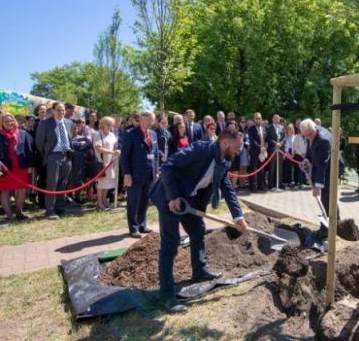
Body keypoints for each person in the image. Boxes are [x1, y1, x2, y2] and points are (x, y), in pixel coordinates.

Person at [150, 128, 249, 313]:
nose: (238, 152)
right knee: (170, 243)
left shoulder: (224, 162)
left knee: (197, 231)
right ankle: (166, 295)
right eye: (237, 147)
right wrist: (173, 197)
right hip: (169, 196)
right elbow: (168, 166)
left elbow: (227, 188)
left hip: (189, 199)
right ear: (225, 142)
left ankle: (199, 270)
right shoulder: (200, 150)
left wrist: (238, 217)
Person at [0, 113, 34, 221]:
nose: (9, 123)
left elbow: (29, 150)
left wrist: (30, 165)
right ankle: (9, 214)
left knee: (22, 190)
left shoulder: (23, 133)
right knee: (5, 190)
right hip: (5, 168)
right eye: (6, 121)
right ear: (1, 123)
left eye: (11, 121)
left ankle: (19, 211)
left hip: (21, 166)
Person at [121, 110, 159, 238]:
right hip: (134, 174)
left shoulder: (153, 134)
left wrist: (156, 170)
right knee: (133, 201)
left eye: (153, 120)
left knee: (144, 200)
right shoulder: (130, 133)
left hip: (149, 173)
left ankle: (142, 224)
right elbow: (125, 156)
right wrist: (126, 174)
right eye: (150, 120)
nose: (152, 123)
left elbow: (156, 154)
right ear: (142, 119)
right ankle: (133, 228)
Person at [35, 102, 75, 219]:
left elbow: (70, 138)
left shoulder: (69, 122)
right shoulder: (45, 124)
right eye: (59, 110)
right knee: (52, 184)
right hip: (53, 156)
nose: (61, 112)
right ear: (53, 111)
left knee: (63, 183)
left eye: (63, 110)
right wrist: (48, 155)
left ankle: (60, 207)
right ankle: (50, 210)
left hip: (66, 156)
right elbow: (39, 143)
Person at [300, 119, 335, 238]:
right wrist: (306, 160)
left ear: (315, 128)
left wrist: (317, 186)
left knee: (326, 197)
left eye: (310, 134)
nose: (309, 137)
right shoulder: (312, 133)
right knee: (329, 198)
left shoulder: (323, 140)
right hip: (321, 166)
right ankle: (336, 222)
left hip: (331, 169)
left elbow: (322, 165)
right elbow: (311, 149)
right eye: (306, 135)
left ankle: (326, 231)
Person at [93, 116, 120, 209]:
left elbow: (115, 146)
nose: (110, 126)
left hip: (112, 162)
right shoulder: (97, 134)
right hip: (102, 162)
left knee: (108, 183)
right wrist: (112, 152)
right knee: (101, 183)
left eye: (111, 125)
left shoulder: (112, 135)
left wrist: (117, 151)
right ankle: (99, 203)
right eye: (107, 124)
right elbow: (98, 148)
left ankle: (104, 201)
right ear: (102, 124)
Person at [68, 119, 93, 202]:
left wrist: (81, 144)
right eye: (73, 128)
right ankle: (70, 196)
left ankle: (78, 196)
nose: (75, 130)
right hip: (72, 162)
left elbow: (89, 145)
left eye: (76, 128)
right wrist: (81, 145)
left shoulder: (84, 138)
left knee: (79, 181)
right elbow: (73, 146)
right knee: (71, 181)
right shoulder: (69, 138)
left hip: (82, 163)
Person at [247, 113, 270, 193]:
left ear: (261, 119)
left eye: (259, 118)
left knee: (262, 169)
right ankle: (252, 186)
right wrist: (260, 148)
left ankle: (261, 185)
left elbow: (267, 140)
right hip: (255, 151)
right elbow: (252, 141)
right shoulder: (251, 129)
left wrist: (265, 148)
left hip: (263, 151)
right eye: (256, 118)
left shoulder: (264, 128)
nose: (258, 120)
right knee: (253, 169)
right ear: (254, 119)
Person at [266, 114, 283, 190]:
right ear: (272, 119)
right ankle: (271, 184)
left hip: (280, 150)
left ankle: (279, 183)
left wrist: (281, 143)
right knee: (272, 167)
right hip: (272, 149)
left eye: (277, 119)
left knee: (279, 167)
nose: (276, 120)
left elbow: (284, 138)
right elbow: (268, 138)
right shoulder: (269, 128)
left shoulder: (282, 128)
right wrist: (275, 143)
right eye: (275, 119)